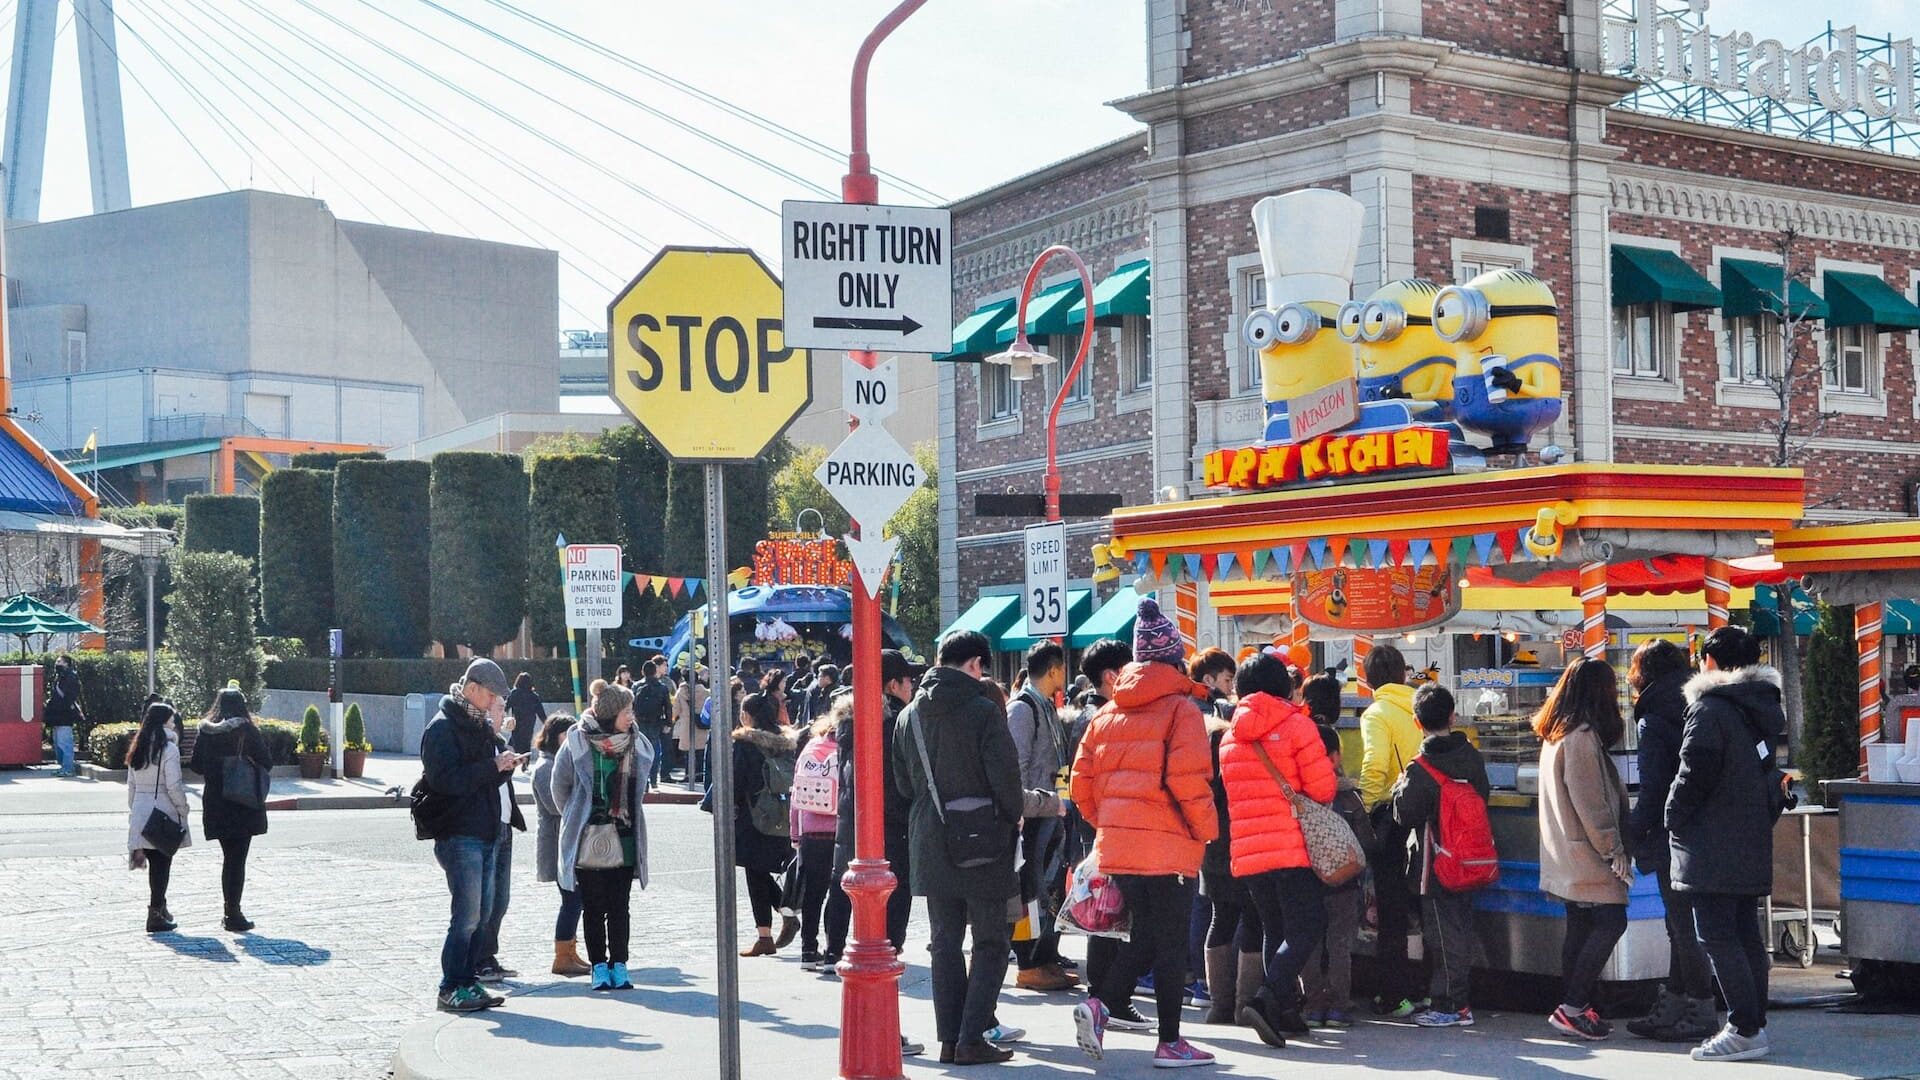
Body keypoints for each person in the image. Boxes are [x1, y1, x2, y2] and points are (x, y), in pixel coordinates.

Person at [1071, 599, 1220, 1068]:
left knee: (1151, 937)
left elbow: (1081, 785)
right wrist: (1206, 831)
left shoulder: (1106, 714)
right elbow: (1188, 781)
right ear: (1176, 659)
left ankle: (1120, 1013)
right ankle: (1154, 1033)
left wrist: (1110, 824)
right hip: (1170, 843)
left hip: (1119, 846)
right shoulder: (1183, 711)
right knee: (1167, 943)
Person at [891, 629, 1024, 1067]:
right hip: (982, 838)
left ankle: (949, 1038)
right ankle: (972, 1036)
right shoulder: (984, 711)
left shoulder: (908, 715)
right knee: (990, 940)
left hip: (930, 838)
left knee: (944, 942)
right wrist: (1013, 817)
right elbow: (1006, 781)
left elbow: (904, 784)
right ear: (975, 664)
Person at [1668, 626, 1788, 1063]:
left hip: (1710, 839)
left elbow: (1694, 769)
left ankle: (1743, 1026)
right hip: (1748, 834)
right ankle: (1753, 1021)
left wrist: (1671, 814)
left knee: (1717, 934)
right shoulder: (1759, 707)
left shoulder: (1709, 710)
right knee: (1744, 933)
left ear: (1712, 663)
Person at [1219, 651, 1335, 1051]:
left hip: (1249, 852)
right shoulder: (1297, 725)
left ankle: (1284, 1010)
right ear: (1282, 686)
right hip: (1291, 845)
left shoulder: (1231, 735)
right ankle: (1267, 998)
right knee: (1308, 925)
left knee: (1275, 929)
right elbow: (1321, 789)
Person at [1534, 657, 1633, 1041]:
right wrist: (1613, 850)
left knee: (1580, 925)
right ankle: (1573, 1006)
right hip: (1588, 852)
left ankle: (1576, 1006)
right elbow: (1591, 801)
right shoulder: (1581, 737)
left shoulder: (1557, 733)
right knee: (1611, 920)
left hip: (1566, 850)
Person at [1623, 639, 1716, 1043]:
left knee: (1680, 923)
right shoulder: (1701, 701)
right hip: (1710, 824)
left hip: (1671, 829)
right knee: (1683, 922)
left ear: (1642, 673)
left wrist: (1631, 832)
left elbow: (1654, 784)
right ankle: (1678, 999)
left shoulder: (1653, 716)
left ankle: (1699, 1004)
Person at [421, 658, 523, 1013]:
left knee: (481, 914)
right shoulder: (442, 728)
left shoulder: (479, 725)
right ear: (472, 688)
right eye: (491, 695)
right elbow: (445, 781)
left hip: (486, 830)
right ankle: (451, 986)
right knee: (465, 916)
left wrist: (502, 768)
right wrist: (490, 767)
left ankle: (469, 982)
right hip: (458, 832)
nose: (494, 702)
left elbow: (481, 779)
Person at [1391, 684, 1491, 1029]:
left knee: (1442, 936)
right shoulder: (1472, 757)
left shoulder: (1421, 768)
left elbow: (1404, 815)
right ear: (1453, 716)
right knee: (1461, 928)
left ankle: (1451, 1004)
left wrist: (1398, 788)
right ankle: (1458, 999)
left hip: (1436, 863)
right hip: (1472, 856)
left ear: (1417, 724)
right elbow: (1483, 797)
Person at [554, 680, 651, 991]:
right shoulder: (577, 742)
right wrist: (577, 815)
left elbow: (640, 788)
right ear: (611, 713)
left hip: (623, 835)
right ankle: (599, 966)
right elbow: (560, 788)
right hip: (588, 836)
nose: (631, 716)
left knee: (620, 905)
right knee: (593, 907)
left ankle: (619, 964)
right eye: (626, 710)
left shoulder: (636, 742)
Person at [824, 650, 920, 961]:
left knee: (842, 883)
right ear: (893, 685)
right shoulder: (894, 723)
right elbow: (899, 780)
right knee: (893, 887)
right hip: (888, 823)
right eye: (909, 681)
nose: (912, 687)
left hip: (851, 820)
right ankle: (888, 947)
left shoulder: (849, 722)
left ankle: (833, 949)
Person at [1356, 643, 1424, 1017]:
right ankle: (1423, 987)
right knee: (1421, 905)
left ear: (1368, 679)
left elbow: (1375, 765)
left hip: (1390, 815)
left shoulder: (1376, 713)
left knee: (1391, 909)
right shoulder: (1418, 705)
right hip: (1423, 813)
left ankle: (1393, 992)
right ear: (1402, 674)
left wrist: (1364, 809)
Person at [1197, 656, 1264, 1028]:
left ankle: (1219, 1005)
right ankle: (1242, 1004)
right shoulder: (1249, 735)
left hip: (1212, 840)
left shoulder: (1207, 735)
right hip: (1246, 836)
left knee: (1221, 917)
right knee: (1254, 917)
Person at [1006, 640, 1077, 992]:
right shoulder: (1022, 709)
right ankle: (1029, 963)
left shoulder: (1044, 706)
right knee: (1031, 892)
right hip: (1032, 815)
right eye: (1062, 668)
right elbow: (1014, 769)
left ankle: (1045, 959)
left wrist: (1063, 803)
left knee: (1048, 889)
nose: (1065, 674)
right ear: (1052, 670)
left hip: (1052, 811)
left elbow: (1058, 761)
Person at [1300, 673, 1362, 1028]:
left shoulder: (1299, 797)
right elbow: (1366, 840)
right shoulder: (1348, 796)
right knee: (1340, 943)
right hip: (1344, 880)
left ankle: (1312, 1002)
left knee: (1309, 940)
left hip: (1306, 873)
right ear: (1337, 756)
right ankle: (1339, 1004)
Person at [191, 687, 272, 935]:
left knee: (229, 858)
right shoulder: (246, 730)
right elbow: (267, 761)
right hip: (243, 802)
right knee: (237, 860)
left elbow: (195, 765)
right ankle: (233, 912)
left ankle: (231, 911)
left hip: (216, 801)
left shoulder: (206, 731)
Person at [734, 691, 798, 957]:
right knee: (762, 871)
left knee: (754, 871)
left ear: (747, 716)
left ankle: (765, 935)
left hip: (754, 815)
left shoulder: (745, 744)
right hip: (784, 812)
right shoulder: (787, 743)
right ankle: (785, 914)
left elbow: (737, 781)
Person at [531, 713, 590, 977]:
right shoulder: (547, 766)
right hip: (557, 842)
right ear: (556, 736)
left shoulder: (560, 761)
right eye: (568, 733)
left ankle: (569, 951)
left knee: (575, 899)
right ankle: (562, 955)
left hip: (566, 841)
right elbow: (556, 804)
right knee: (571, 899)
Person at [126, 700, 189, 933]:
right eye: (172, 720)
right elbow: (173, 785)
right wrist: (183, 808)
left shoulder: (138, 746)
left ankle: (160, 908)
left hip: (141, 811)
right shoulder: (169, 749)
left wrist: (135, 811)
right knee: (162, 865)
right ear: (164, 722)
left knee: (154, 864)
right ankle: (155, 913)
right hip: (162, 811)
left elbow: (131, 786)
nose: (174, 724)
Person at [791, 699, 843, 971]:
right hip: (838, 831)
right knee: (837, 895)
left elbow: (796, 795)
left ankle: (807, 950)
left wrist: (795, 833)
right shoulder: (845, 749)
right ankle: (833, 950)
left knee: (812, 893)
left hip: (810, 830)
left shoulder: (811, 747)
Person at [634, 658, 673, 789]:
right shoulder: (662, 687)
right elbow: (668, 707)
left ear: (642, 672)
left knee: (640, 751)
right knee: (655, 750)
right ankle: (654, 778)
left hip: (639, 723)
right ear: (655, 671)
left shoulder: (637, 686)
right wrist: (668, 723)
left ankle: (644, 781)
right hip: (655, 722)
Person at [44, 654, 83, 776]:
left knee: (64, 742)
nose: (57, 664)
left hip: (65, 716)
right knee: (58, 743)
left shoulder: (71, 677)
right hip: (57, 715)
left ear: (67, 663)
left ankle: (68, 768)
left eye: (59, 661)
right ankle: (63, 767)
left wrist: (62, 706)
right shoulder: (60, 677)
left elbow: (70, 696)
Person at [672, 665, 711, 787]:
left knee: (689, 751)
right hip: (701, 723)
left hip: (686, 724)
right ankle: (700, 774)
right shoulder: (704, 691)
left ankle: (689, 774)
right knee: (700, 750)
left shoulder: (681, 691)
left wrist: (673, 719)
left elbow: (676, 710)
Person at [504, 672, 545, 774]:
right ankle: (525, 765)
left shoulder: (514, 693)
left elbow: (506, 707)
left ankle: (509, 761)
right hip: (529, 723)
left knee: (514, 741)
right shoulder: (534, 696)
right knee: (526, 743)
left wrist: (503, 717)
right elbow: (541, 713)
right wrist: (547, 724)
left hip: (516, 722)